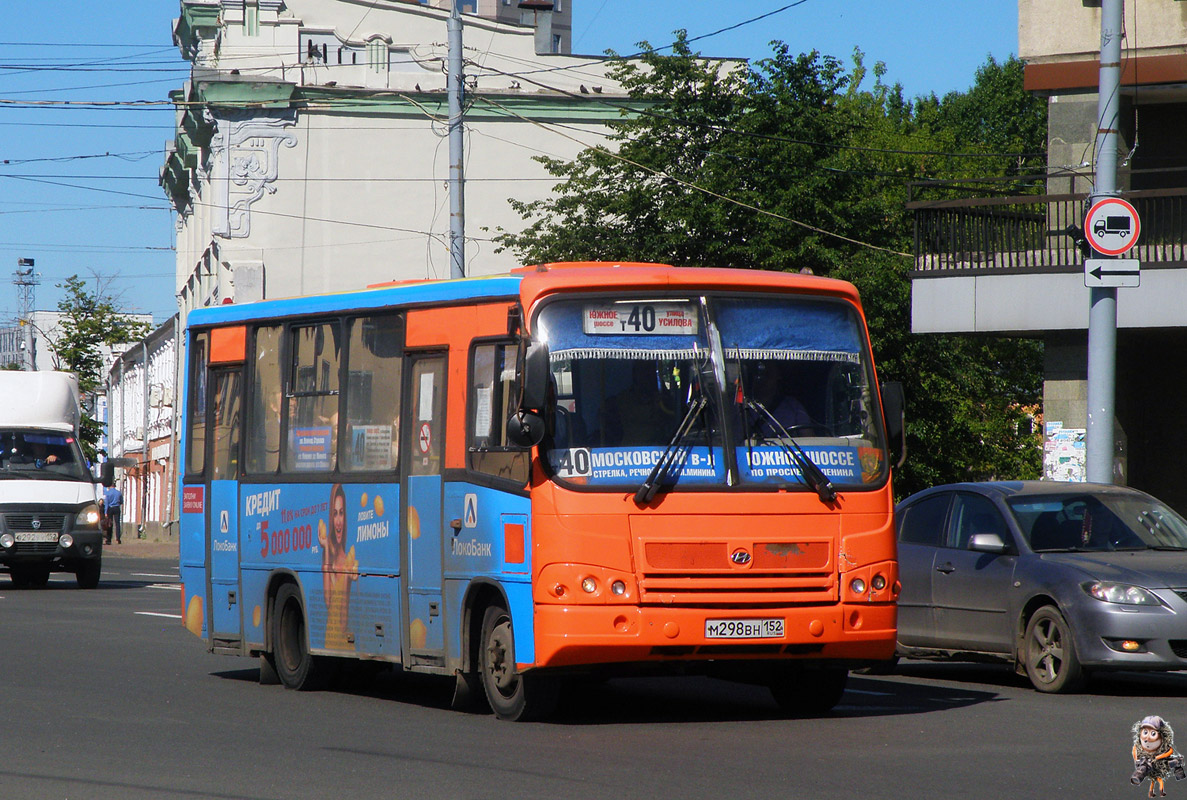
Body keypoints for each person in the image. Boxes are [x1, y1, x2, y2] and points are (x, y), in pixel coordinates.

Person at [320, 483, 357, 650]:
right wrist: (327, 548)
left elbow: (343, 621)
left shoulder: (348, 558)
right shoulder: (329, 557)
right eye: (334, 514)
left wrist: (349, 578)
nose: (338, 521)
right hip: (330, 637)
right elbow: (328, 602)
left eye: (341, 513)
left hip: (344, 641)